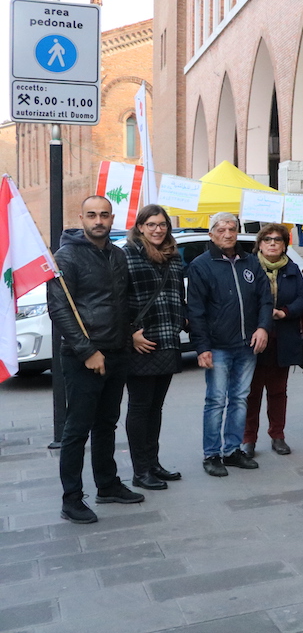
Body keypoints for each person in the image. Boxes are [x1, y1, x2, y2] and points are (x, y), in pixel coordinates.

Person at [49, 196, 143, 523]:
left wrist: (127, 335)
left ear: (111, 217)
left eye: (104, 215)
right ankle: (71, 498)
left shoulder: (117, 255)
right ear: (81, 218)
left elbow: (121, 302)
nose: (98, 220)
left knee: (106, 424)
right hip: (84, 357)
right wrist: (87, 351)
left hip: (116, 352)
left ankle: (107, 484)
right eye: (92, 215)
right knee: (77, 430)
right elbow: (60, 309)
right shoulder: (66, 256)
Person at [187, 212, 273, 477]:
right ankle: (211, 454)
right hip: (219, 346)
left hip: (248, 345)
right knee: (216, 400)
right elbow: (196, 311)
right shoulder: (201, 265)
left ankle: (232, 450)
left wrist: (263, 327)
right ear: (212, 233)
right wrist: (202, 348)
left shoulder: (251, 262)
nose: (227, 234)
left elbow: (265, 299)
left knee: (239, 399)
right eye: (221, 229)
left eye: (232, 229)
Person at [123, 204, 187, 491]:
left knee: (156, 407)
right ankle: (140, 471)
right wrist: (130, 334)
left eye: (162, 224)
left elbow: (177, 295)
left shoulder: (173, 257)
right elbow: (116, 300)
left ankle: (153, 463)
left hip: (168, 339)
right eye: (151, 224)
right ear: (140, 227)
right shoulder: (126, 256)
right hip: (141, 343)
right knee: (140, 407)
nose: (157, 229)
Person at [243, 224, 303, 457]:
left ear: (284, 245)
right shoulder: (248, 268)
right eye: (268, 239)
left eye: (278, 240)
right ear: (259, 244)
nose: (272, 243)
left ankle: (277, 435)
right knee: (252, 393)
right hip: (254, 339)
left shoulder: (291, 269)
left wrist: (285, 312)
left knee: (278, 391)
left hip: (283, 338)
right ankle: (248, 438)